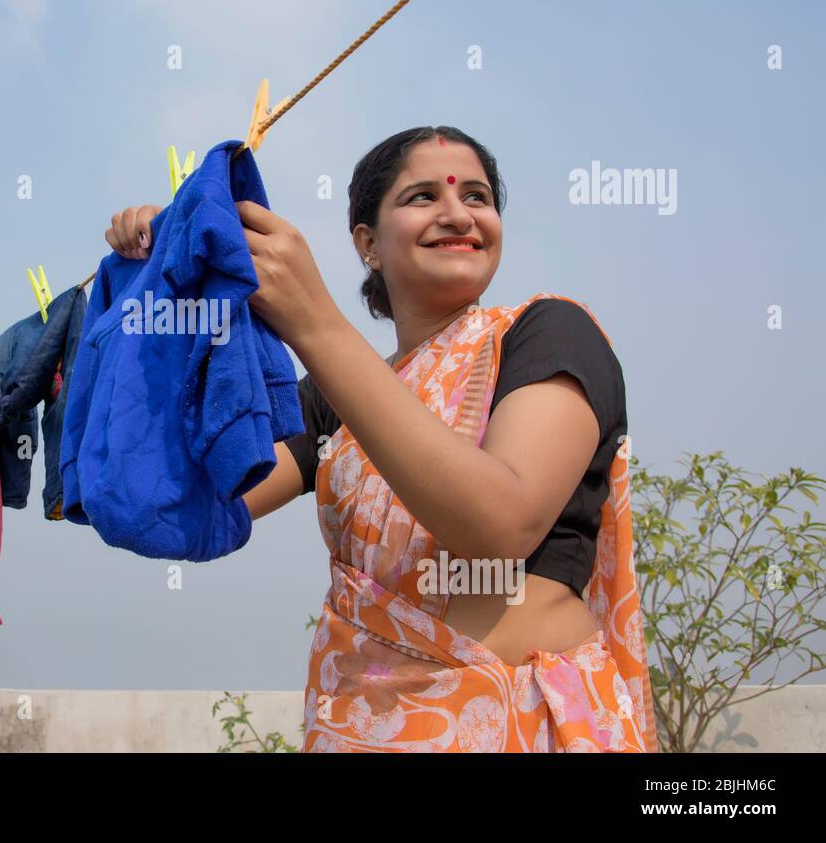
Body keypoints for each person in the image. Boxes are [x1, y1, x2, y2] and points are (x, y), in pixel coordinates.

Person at [104, 126, 657, 752]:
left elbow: (500, 526)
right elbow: (183, 505)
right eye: (423, 197)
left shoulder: (547, 332)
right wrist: (162, 295)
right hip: (363, 732)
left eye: (477, 197)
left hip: (524, 727)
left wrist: (314, 323)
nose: (457, 213)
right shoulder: (330, 398)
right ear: (367, 242)